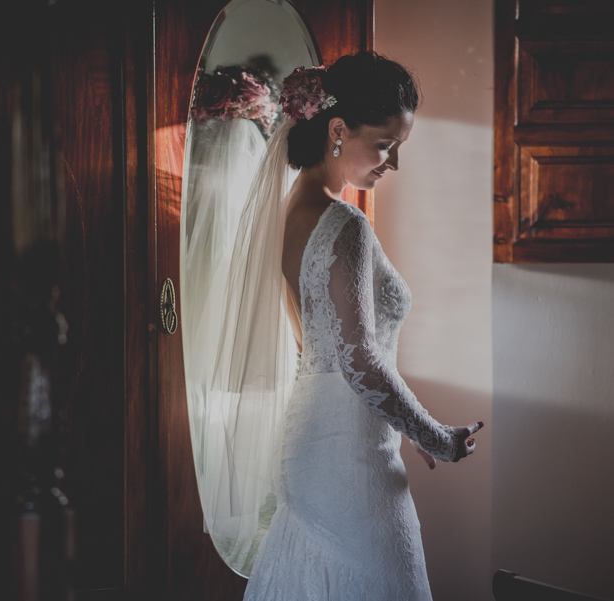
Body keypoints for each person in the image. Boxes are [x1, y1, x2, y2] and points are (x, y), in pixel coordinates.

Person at [202, 52, 484, 599]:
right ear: (337, 129)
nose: (393, 163)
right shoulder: (342, 224)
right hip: (348, 458)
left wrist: (400, 419)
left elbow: (320, 345)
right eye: (385, 144)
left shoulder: (293, 209)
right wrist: (435, 435)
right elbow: (358, 360)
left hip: (320, 441)